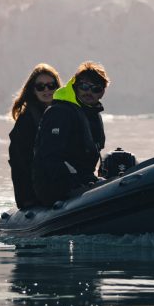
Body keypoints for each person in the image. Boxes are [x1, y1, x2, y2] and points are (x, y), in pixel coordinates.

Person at [32, 61, 109, 206]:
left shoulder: (92, 114)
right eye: (84, 87)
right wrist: (75, 183)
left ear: (103, 92)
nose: (89, 92)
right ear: (75, 86)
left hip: (83, 183)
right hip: (55, 187)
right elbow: (49, 156)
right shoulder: (60, 112)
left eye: (96, 89)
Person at [8, 63, 61, 209]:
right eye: (40, 86)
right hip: (35, 193)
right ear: (33, 90)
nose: (46, 90)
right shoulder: (26, 121)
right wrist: (28, 198)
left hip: (62, 184)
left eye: (51, 85)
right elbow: (20, 162)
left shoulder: (64, 114)